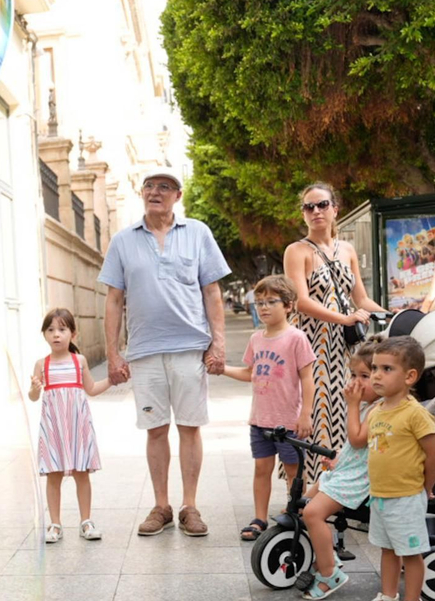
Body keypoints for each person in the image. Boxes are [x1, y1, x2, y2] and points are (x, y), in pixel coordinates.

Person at [101, 169, 232, 537]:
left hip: (190, 349)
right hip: (144, 352)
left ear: (178, 195)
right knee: (155, 430)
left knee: (190, 428)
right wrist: (114, 354)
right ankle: (161, 506)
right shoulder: (123, 241)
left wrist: (217, 343)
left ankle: (190, 506)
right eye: (149, 186)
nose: (154, 192)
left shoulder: (198, 233)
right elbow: (113, 300)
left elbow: (212, 292)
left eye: (164, 187)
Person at [284, 181, 387, 487]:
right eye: (309, 207)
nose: (316, 211)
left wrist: (396, 314)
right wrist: (344, 318)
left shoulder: (348, 249)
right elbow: (300, 301)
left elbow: (361, 299)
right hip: (312, 346)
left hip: (344, 350)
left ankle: (338, 487)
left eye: (322, 205)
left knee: (344, 412)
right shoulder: (297, 250)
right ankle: (307, 490)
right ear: (303, 214)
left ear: (335, 209)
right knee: (314, 416)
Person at [352, 337, 435, 601]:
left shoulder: (415, 414)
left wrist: (426, 487)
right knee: (388, 549)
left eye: (386, 369)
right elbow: (360, 443)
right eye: (375, 368)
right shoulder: (377, 410)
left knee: (410, 552)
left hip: (406, 495)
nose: (376, 375)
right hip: (381, 495)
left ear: (410, 376)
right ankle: (388, 597)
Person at [220, 275, 315, 541]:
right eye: (260, 302)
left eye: (271, 301)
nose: (263, 307)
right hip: (260, 420)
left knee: (294, 470)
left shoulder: (297, 338)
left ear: (288, 306)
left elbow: (308, 379)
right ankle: (259, 517)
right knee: (261, 469)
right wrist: (222, 370)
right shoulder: (256, 339)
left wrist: (305, 413)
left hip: (287, 421)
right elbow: (250, 372)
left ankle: (294, 511)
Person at [300, 342, 376, 599]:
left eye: (364, 376)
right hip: (349, 470)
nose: (356, 382)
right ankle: (326, 553)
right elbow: (354, 447)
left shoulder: (378, 408)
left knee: (312, 513)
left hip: (361, 477)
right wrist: (339, 459)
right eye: (353, 375)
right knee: (305, 504)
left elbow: (358, 440)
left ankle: (330, 572)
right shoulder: (367, 405)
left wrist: (352, 405)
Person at [29, 307, 109, 542]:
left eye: (62, 329)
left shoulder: (79, 361)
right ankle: (55, 524)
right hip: (53, 427)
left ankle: (86, 521)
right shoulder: (41, 365)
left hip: (77, 427)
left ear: (73, 334)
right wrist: (34, 389)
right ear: (44, 334)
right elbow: (34, 397)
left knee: (81, 473)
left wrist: (113, 380)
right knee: (54, 475)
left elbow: (91, 389)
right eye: (51, 330)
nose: (56, 334)